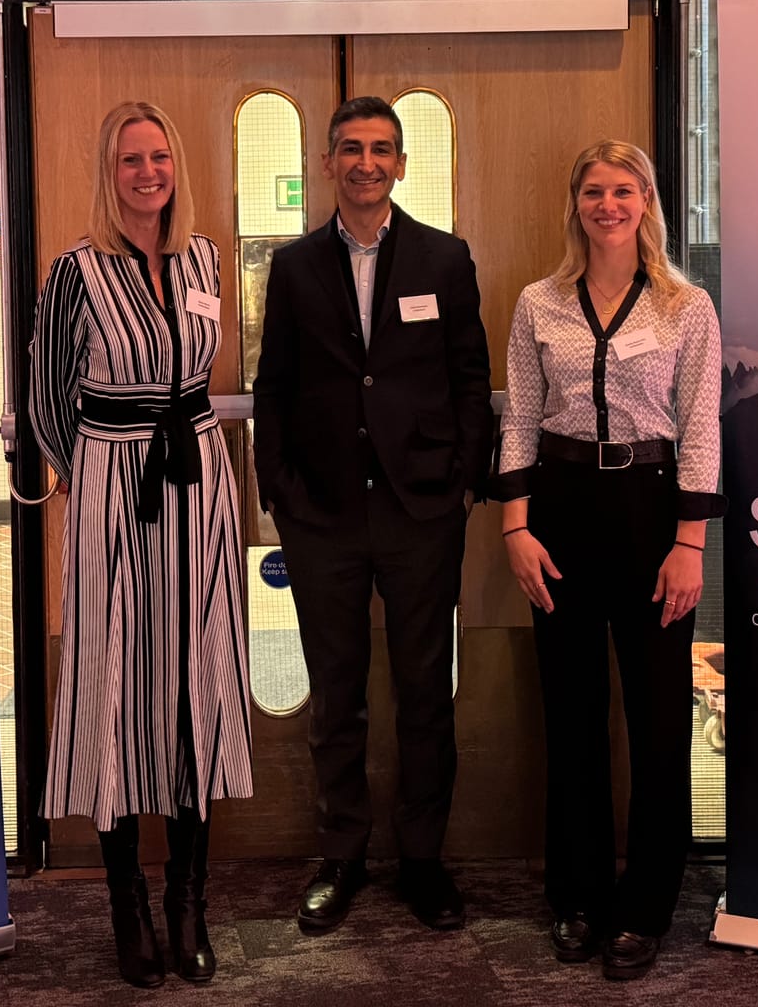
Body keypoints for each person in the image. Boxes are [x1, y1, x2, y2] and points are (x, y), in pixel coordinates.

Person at [252, 96, 493, 935]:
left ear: (401, 164)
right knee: (337, 695)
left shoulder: (445, 258)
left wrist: (464, 478)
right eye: (350, 148)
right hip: (323, 516)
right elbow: (273, 386)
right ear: (327, 163)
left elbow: (470, 377)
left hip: (421, 510)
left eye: (381, 149)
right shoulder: (292, 267)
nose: (365, 163)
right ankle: (342, 855)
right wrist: (279, 488)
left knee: (427, 692)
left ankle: (423, 861)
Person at [28, 101, 253, 989]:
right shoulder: (75, 273)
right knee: (115, 688)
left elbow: (203, 370)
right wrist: (94, 481)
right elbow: (48, 404)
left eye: (160, 156)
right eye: (131, 160)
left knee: (195, 681)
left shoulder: (204, 259)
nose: (148, 172)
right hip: (114, 492)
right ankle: (126, 901)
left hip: (198, 487)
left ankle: (188, 902)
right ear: (108, 171)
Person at [493, 140, 725, 982]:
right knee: (573, 714)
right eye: (594, 190)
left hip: (652, 515)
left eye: (624, 190)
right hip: (558, 512)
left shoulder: (685, 306)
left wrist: (691, 545)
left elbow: (700, 429)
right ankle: (579, 896)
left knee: (660, 720)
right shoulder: (537, 303)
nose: (608, 204)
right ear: (576, 204)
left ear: (647, 203)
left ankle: (646, 906)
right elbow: (519, 418)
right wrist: (516, 529)